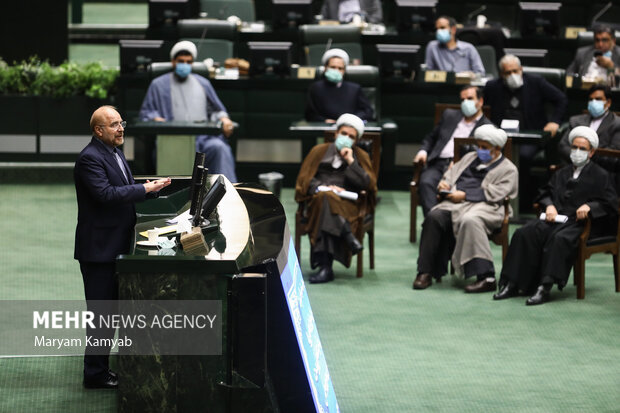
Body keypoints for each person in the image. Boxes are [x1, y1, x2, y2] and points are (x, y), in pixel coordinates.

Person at [74, 106, 171, 388]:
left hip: (117, 244)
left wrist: (153, 189)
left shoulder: (114, 152)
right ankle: (94, 374)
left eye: (121, 123)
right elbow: (106, 194)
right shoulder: (89, 159)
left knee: (112, 312)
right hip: (99, 250)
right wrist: (146, 189)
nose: (121, 129)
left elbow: (124, 188)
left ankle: (102, 368)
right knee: (101, 314)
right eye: (114, 125)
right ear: (98, 130)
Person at [494, 126, 617, 305]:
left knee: (560, 239)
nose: (577, 152)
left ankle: (544, 287)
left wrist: (590, 207)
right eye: (574, 147)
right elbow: (545, 193)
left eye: (582, 149)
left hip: (581, 224)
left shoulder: (601, 175)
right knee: (524, 233)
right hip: (555, 218)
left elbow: (611, 202)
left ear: (591, 153)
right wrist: (549, 206)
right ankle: (512, 283)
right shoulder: (562, 172)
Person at [412, 124, 518, 293]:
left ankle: (487, 277)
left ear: (497, 149)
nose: (480, 150)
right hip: (455, 203)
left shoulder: (509, 169)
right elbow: (451, 174)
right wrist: (444, 184)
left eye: (485, 148)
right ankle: (425, 272)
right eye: (479, 146)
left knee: (470, 220)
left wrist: (465, 195)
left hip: (487, 207)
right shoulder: (470, 157)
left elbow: (498, 194)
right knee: (434, 216)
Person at [295, 113, 377, 283]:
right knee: (324, 197)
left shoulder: (360, 156)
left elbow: (368, 185)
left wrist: (350, 162)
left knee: (326, 201)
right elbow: (304, 180)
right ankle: (346, 238)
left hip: (348, 205)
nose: (346, 138)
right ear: (336, 133)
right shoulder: (318, 151)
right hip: (317, 200)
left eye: (351, 137)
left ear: (356, 141)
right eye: (344, 134)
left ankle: (325, 266)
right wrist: (322, 187)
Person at [139, 40, 237, 182]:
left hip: (203, 141)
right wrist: (156, 119)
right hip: (172, 141)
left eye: (188, 62)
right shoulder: (158, 84)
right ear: (173, 62)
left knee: (220, 148)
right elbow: (146, 113)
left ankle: (226, 194)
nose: (184, 65)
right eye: (181, 61)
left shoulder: (203, 83)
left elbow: (216, 110)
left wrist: (224, 118)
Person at [483, 54, 567, 208]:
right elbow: (485, 110)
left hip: (531, 136)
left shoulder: (536, 82)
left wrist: (554, 122)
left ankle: (522, 202)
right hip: (502, 136)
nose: (512, 75)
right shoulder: (492, 87)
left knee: (522, 157)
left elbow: (561, 99)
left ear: (521, 70)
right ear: (501, 74)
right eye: (508, 73)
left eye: (515, 71)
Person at [414, 85, 492, 216]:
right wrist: (423, 151)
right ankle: (433, 224)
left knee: (457, 190)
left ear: (481, 101)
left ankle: (438, 227)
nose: (465, 103)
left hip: (463, 170)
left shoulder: (487, 127)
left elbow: (484, 156)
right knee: (426, 182)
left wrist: (459, 163)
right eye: (462, 100)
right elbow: (431, 138)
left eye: (470, 98)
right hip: (438, 164)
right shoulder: (449, 115)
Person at [557, 85, 620, 170]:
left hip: (602, 172)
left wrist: (585, 157)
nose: (594, 102)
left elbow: (614, 155)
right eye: (591, 99)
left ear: (608, 102)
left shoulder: (617, 124)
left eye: (598, 99)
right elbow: (563, 146)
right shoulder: (576, 121)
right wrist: (577, 159)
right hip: (573, 168)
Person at [305, 48, 374, 123]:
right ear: (325, 68)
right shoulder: (316, 88)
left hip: (350, 127)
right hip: (325, 128)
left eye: (340, 68)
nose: (336, 70)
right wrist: (324, 121)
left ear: (344, 71)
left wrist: (351, 120)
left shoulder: (355, 88)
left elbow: (367, 111)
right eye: (333, 67)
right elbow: (310, 114)